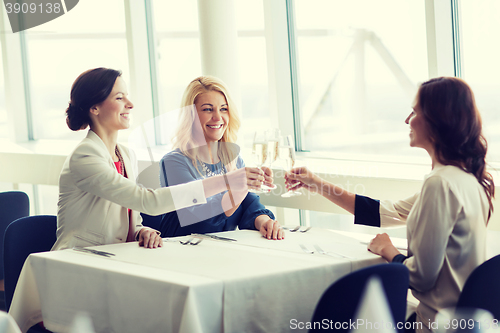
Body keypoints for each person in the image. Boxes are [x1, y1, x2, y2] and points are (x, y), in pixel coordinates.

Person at [285, 77, 494, 333]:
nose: (408, 120)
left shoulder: (440, 183)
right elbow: (384, 212)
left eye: (415, 111)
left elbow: (420, 278)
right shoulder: (466, 179)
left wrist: (388, 250)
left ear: (437, 120)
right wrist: (315, 183)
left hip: (434, 326)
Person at [53, 68, 267, 251]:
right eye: (120, 98)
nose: (130, 104)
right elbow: (148, 202)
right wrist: (228, 180)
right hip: (79, 259)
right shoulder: (85, 156)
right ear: (94, 108)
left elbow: (130, 215)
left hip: (117, 256)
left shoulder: (126, 155)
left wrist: (140, 231)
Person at [158, 76, 284, 240]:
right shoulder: (173, 163)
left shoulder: (232, 158)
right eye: (208, 109)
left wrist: (264, 221)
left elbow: (248, 204)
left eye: (223, 109)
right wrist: (240, 186)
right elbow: (201, 221)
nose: (218, 118)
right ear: (191, 115)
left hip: (222, 252)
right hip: (184, 254)